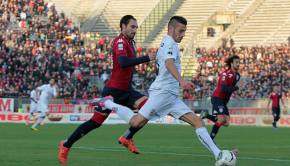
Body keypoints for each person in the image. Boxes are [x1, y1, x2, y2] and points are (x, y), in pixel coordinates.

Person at [117, 16, 236, 162]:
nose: (183, 34)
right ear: (171, 29)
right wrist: (182, 81)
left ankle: (219, 155)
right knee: (135, 122)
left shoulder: (167, 42)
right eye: (181, 31)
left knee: (198, 122)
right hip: (162, 94)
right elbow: (168, 63)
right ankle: (109, 104)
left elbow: (163, 65)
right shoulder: (170, 43)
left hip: (171, 96)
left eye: (184, 31)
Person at [58, 15, 155, 165]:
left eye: (136, 27)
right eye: (132, 27)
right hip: (113, 91)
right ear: (123, 26)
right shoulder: (120, 42)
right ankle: (66, 145)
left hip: (127, 90)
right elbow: (123, 62)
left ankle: (127, 137)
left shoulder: (129, 42)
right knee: (94, 123)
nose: (135, 30)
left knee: (149, 108)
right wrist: (146, 58)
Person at [200, 55, 240, 139]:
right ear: (231, 64)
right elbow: (223, 88)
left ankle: (206, 115)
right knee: (221, 119)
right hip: (217, 97)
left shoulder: (237, 75)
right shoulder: (225, 74)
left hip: (224, 101)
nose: (238, 64)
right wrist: (235, 88)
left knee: (226, 123)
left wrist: (234, 89)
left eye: (238, 62)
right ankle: (210, 139)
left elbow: (230, 88)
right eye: (236, 62)